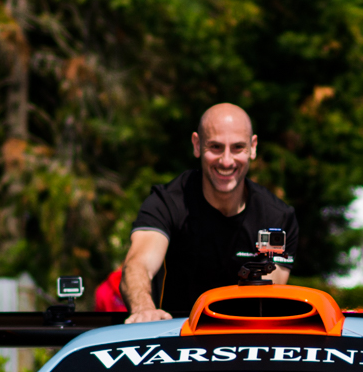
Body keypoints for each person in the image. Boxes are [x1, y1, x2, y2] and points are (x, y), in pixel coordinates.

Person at [124, 103, 299, 323]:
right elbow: (138, 264)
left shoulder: (278, 218)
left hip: (245, 337)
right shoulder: (167, 202)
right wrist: (143, 309)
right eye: (215, 147)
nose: (226, 161)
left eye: (237, 147)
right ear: (196, 145)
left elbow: (268, 296)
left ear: (253, 147)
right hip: (173, 340)